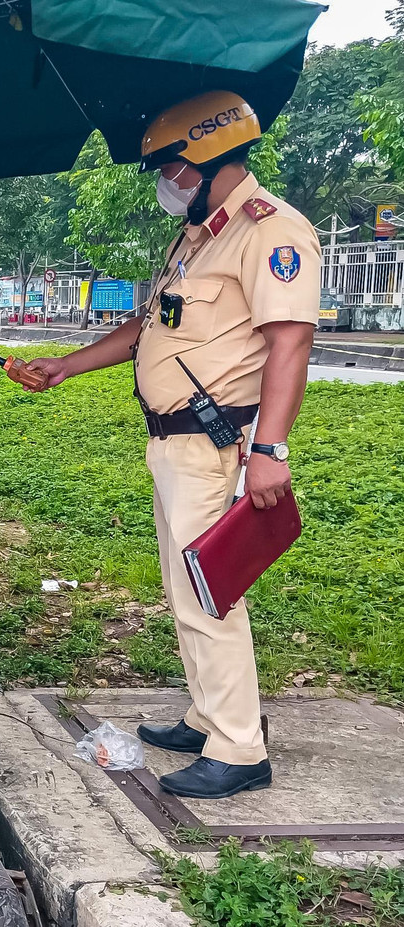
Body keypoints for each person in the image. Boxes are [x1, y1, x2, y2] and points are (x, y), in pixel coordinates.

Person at [25, 91, 320, 799]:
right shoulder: (199, 234)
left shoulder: (271, 231)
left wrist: (269, 450)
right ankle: (207, 712)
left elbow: (291, 343)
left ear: (212, 161)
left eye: (173, 168)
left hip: (216, 444)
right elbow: (148, 328)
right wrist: (67, 365)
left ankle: (240, 747)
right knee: (184, 586)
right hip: (174, 444)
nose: (167, 181)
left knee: (210, 593)